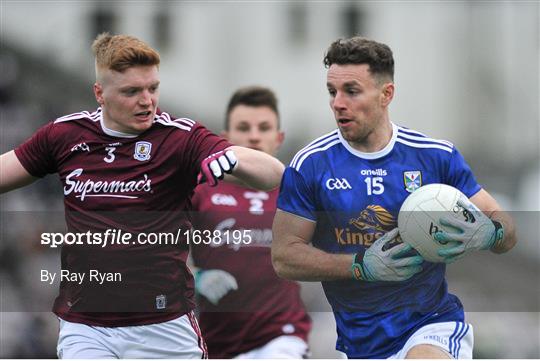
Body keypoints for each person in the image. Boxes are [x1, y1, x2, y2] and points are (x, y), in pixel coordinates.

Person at [0, 33, 284, 359]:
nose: (147, 100)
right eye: (132, 91)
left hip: (163, 326)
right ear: (100, 94)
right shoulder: (64, 136)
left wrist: (235, 159)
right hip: (87, 327)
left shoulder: (180, 138)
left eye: (153, 88)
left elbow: (273, 175)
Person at [271, 36, 517, 359]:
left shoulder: (435, 157)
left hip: (432, 325)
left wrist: (491, 232)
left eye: (352, 91)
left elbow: (506, 228)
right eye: (332, 92)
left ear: (386, 94)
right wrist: (361, 266)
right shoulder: (310, 166)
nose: (337, 103)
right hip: (359, 344)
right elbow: (283, 256)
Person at [190, 86, 311, 358]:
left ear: (279, 138)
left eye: (264, 128)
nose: (254, 136)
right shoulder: (199, 189)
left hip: (283, 335)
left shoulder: (296, 191)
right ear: (224, 138)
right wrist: (195, 277)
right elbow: (159, 251)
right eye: (243, 127)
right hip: (215, 340)